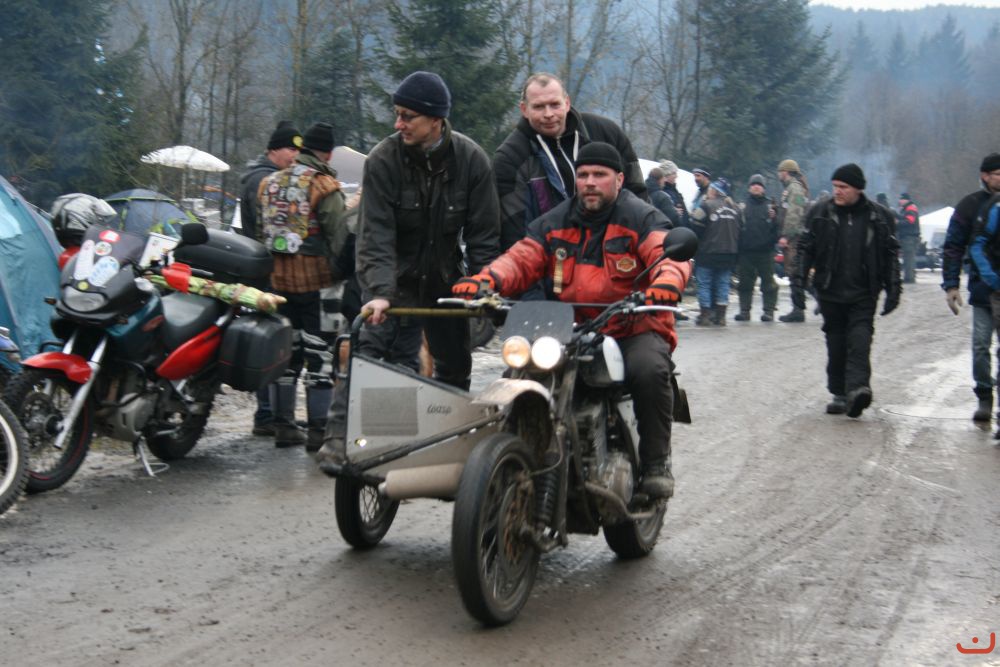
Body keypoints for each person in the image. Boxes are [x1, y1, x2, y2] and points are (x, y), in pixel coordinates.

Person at [453, 142, 690, 498]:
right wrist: (487, 281)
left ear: (619, 179)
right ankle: (508, 460)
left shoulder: (641, 218)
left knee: (649, 370)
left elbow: (666, 254)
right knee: (519, 372)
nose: (590, 182)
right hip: (569, 326)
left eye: (599, 175)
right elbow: (521, 258)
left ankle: (656, 463)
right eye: (583, 175)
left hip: (630, 325)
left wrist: (667, 283)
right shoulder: (554, 222)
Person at [315, 71, 500, 471]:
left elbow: (484, 236)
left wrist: (480, 286)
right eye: (397, 114)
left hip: (447, 280)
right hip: (394, 277)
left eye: (407, 116)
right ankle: (339, 441)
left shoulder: (472, 161)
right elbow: (374, 234)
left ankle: (450, 444)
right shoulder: (384, 159)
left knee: (455, 362)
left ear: (435, 119)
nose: (398, 123)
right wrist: (380, 293)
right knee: (368, 348)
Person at [258, 122, 347, 449]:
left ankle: (284, 426)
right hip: (319, 285)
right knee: (320, 354)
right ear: (328, 153)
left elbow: (261, 232)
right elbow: (339, 237)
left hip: (278, 284)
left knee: (286, 354)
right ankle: (318, 431)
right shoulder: (324, 185)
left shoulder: (268, 184)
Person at [791, 163, 901, 418]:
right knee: (836, 343)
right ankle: (839, 393)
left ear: (858, 189)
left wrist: (893, 288)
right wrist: (798, 282)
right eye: (835, 186)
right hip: (830, 290)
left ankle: (858, 389)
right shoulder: (819, 212)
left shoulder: (879, 216)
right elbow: (805, 249)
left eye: (843, 187)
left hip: (864, 292)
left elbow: (890, 254)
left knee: (860, 341)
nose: (837, 191)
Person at [493, 72, 645, 254]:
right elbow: (513, 232)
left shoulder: (607, 134)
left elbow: (639, 196)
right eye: (539, 107)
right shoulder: (510, 157)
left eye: (554, 104)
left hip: (615, 255)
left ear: (567, 102)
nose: (548, 114)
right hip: (549, 261)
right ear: (524, 109)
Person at [237, 121, 302, 436]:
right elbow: (272, 230)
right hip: (266, 271)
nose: (294, 156)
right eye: (290, 148)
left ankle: (267, 414)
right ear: (274, 149)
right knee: (270, 341)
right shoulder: (263, 181)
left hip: (261, 269)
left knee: (271, 339)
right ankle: (266, 415)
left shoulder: (259, 176)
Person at [941, 153, 1000, 421]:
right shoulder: (969, 205)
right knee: (980, 346)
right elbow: (953, 246)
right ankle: (984, 394)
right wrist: (951, 285)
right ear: (985, 176)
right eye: (997, 173)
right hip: (982, 288)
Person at [689, 178, 741, 326]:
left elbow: (695, 227)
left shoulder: (706, 206)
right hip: (729, 253)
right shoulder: (736, 208)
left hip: (708, 252)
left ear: (715, 191)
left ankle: (705, 315)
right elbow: (741, 230)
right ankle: (721, 316)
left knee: (704, 283)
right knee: (723, 283)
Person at [735, 174, 779, 322]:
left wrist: (775, 218)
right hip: (746, 252)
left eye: (759, 185)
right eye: (753, 185)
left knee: (769, 284)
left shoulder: (771, 206)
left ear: (763, 188)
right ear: (749, 188)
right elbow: (737, 228)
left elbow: (777, 228)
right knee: (744, 284)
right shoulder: (742, 206)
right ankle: (744, 311)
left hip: (766, 252)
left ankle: (769, 311)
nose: (756, 187)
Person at [776, 158, 811, 322]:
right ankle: (802, 307)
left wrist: (786, 236)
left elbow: (794, 214)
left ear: (786, 172)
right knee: (796, 273)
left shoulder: (795, 188)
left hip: (795, 238)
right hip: (794, 237)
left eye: (780, 171)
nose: (778, 174)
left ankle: (798, 310)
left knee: (795, 273)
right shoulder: (791, 188)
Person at [897, 192, 921, 283]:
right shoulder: (907, 208)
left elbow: (910, 221)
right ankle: (909, 276)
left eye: (902, 199)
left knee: (909, 258)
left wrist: (897, 222)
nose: (900, 201)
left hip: (910, 237)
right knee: (908, 258)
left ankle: (909, 278)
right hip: (909, 237)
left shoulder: (910, 208)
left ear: (906, 200)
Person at [659, 159, 689, 227]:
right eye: (674, 173)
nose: (676, 176)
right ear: (666, 175)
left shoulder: (674, 190)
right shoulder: (663, 193)